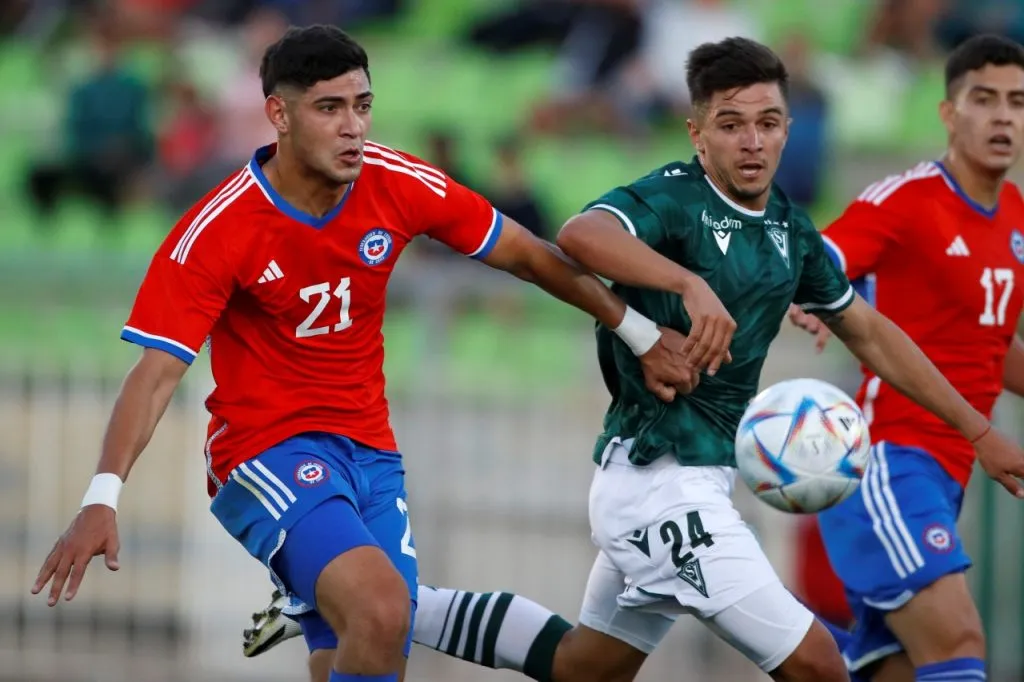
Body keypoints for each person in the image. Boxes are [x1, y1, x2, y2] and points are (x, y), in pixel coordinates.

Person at [241, 36, 1024, 682]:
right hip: (658, 486)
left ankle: (339, 601)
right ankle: (339, 595)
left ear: (788, 127)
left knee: (588, 665)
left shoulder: (788, 228)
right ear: (697, 132)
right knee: (819, 665)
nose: (752, 141)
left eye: (769, 122)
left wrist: (977, 429)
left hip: (699, 476)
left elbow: (875, 335)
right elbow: (581, 235)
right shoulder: (677, 198)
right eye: (731, 124)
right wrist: (686, 284)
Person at [28, 25, 736, 682]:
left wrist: (637, 332)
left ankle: (304, 596)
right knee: (382, 608)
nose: (353, 126)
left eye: (362, 105)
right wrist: (103, 495)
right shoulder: (219, 229)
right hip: (264, 448)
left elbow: (526, 254)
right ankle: (307, 582)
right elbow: (155, 375)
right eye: (330, 108)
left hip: (369, 450)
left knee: (360, 648)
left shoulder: (396, 182)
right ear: (278, 115)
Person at [787, 33, 1024, 682]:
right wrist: (816, 297)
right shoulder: (907, 198)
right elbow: (824, 261)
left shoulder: (1014, 214)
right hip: (888, 461)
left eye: (1018, 102)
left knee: (899, 671)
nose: (1003, 116)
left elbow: (989, 344)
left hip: (943, 478)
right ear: (949, 114)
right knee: (958, 641)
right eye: (984, 99)